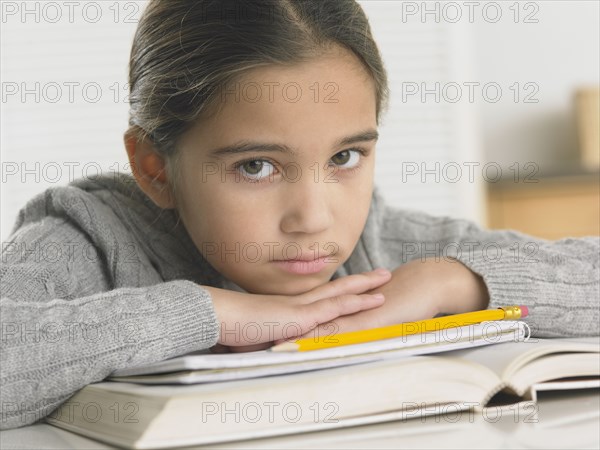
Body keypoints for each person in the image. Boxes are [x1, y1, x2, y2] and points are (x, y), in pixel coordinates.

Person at [1, 0, 598, 430]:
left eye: (344, 157)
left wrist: (450, 281)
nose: (315, 219)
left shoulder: (381, 245)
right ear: (156, 167)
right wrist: (211, 314)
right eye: (256, 167)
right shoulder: (85, 240)